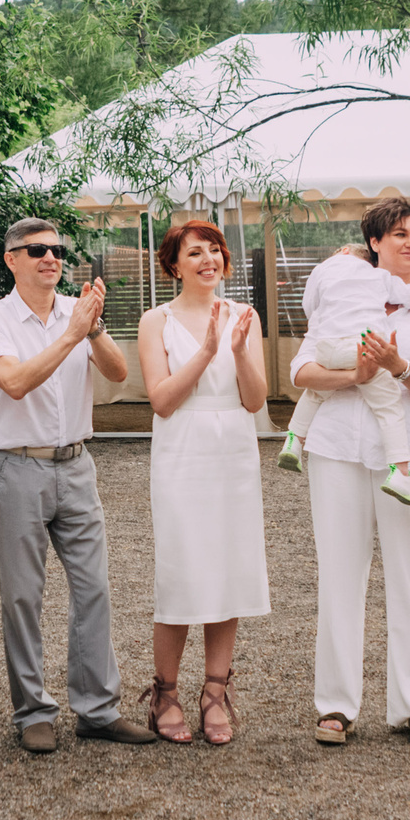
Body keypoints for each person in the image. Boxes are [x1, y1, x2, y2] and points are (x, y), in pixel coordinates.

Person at [0, 218, 155, 753]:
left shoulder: (78, 316)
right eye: (37, 251)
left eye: (57, 250)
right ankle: (32, 711)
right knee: (23, 596)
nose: (51, 258)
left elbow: (120, 374)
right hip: (17, 466)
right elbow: (14, 381)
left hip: (76, 464)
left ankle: (97, 710)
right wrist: (74, 333)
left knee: (94, 588)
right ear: (12, 259)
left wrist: (93, 328)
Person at [292, 198, 410, 745]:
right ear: (374, 242)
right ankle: (336, 706)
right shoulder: (341, 293)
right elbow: (302, 370)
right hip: (337, 448)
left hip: (407, 454)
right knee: (340, 575)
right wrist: (355, 376)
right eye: (399, 234)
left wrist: (397, 368)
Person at [136, 220, 270, 747]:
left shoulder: (245, 317)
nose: (208, 259)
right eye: (195, 253)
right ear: (175, 265)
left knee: (228, 569)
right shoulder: (155, 320)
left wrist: (236, 351)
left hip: (232, 451)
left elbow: (256, 400)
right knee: (182, 571)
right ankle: (165, 693)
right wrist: (206, 348)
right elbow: (163, 400)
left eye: (215, 251)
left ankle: (215, 692)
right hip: (182, 449)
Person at [278, 249, 410, 507]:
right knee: (389, 409)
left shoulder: (321, 270)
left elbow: (310, 305)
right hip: (364, 345)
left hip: (327, 346)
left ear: (341, 253)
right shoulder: (379, 276)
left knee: (317, 391)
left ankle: (294, 440)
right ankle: (401, 472)